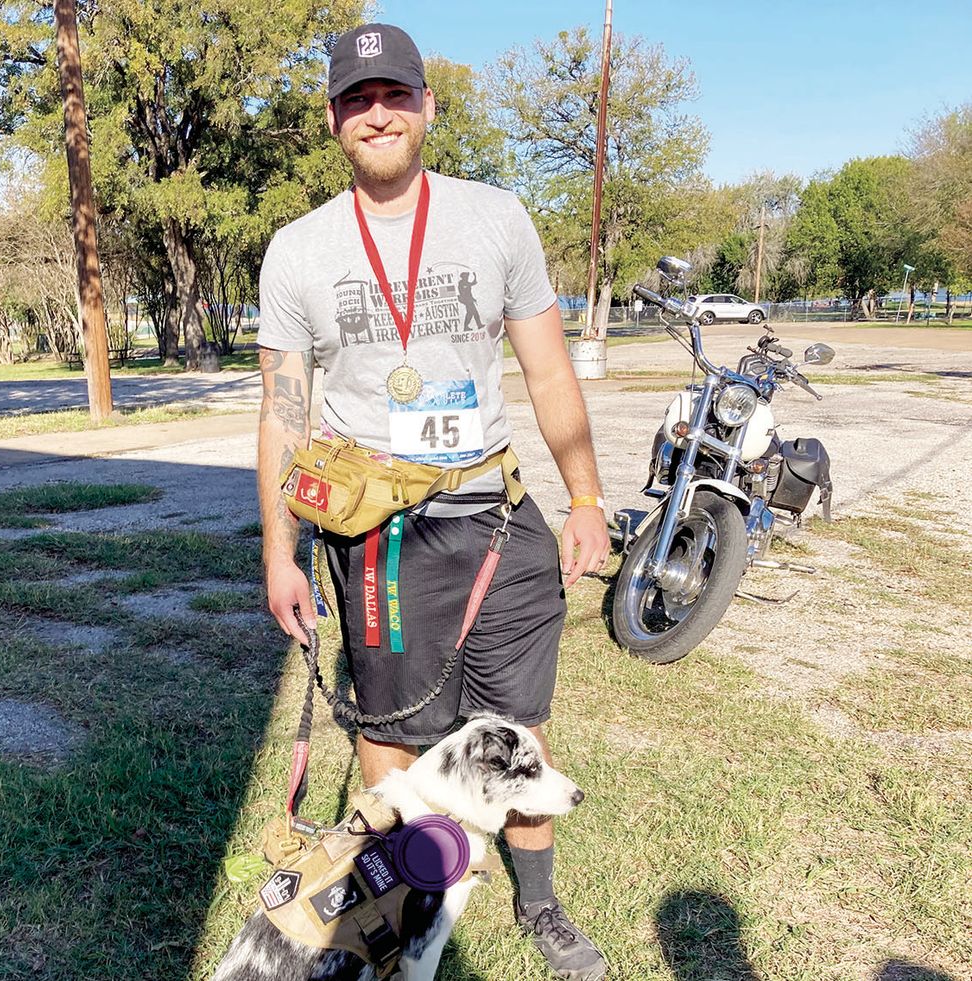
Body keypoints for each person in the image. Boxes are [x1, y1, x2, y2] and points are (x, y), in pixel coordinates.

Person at [256, 22, 610, 980]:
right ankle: (397, 913)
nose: (378, 114)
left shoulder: (497, 219)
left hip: (495, 511)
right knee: (392, 733)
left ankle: (540, 907)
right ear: (335, 119)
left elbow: (546, 365)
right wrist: (280, 554)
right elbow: (284, 416)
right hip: (380, 535)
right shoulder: (297, 251)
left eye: (395, 95)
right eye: (357, 100)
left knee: (520, 722)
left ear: (427, 107)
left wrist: (584, 494)